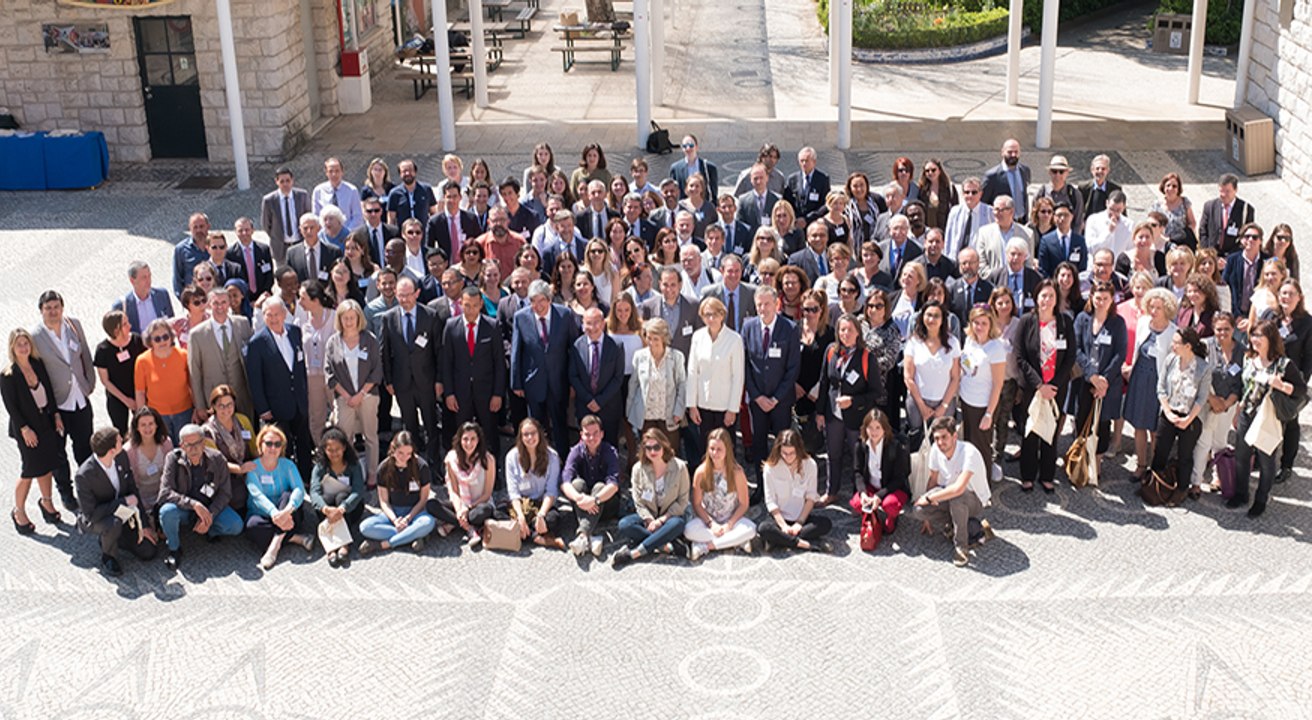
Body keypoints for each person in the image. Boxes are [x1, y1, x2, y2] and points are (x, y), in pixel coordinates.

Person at [1230, 320, 1305, 517]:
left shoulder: (1284, 364)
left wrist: (1281, 385)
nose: (1254, 340)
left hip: (1268, 417)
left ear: (1270, 339)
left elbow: (1301, 390)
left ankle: (1261, 499)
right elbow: (1244, 389)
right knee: (1242, 456)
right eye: (1253, 335)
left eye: (1259, 336)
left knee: (1266, 460)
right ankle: (1241, 493)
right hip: (1248, 414)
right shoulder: (1248, 359)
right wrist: (1238, 412)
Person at [33, 290, 95, 511]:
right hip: (58, 404)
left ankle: (88, 487)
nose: (53, 312)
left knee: (85, 446)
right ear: (41, 311)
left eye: (56, 307)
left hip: (80, 398)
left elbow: (85, 354)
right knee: (59, 452)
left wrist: (90, 383)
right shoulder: (36, 338)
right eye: (48, 308)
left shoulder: (73, 325)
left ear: (62, 308)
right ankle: (66, 493)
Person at [2, 328, 69, 534]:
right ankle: (19, 511)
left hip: (45, 422)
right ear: (13, 348)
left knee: (47, 463)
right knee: (30, 469)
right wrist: (24, 429)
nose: (24, 347)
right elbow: (11, 407)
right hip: (26, 428)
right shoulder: (8, 375)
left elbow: (48, 390)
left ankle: (47, 503)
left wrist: (56, 415)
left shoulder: (37, 364)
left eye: (26, 343)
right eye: (19, 344)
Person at [1014, 280, 1076, 493]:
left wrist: (1054, 384)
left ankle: (1047, 474)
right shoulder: (1026, 321)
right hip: (1033, 387)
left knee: (1051, 429)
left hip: (1057, 388)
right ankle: (1028, 475)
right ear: (1036, 297)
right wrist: (1039, 385)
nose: (1047, 300)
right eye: (1043, 295)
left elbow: (1070, 358)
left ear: (1056, 299)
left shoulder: (1065, 323)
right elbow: (1020, 357)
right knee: (1030, 429)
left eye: (1051, 296)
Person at [157, 423, 244, 569]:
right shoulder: (172, 458)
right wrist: (193, 504)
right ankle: (174, 548)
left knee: (236, 525)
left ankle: (209, 529)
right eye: (188, 445)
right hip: (184, 508)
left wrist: (210, 514)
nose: (193, 449)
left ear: (204, 443)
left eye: (197, 443)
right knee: (167, 512)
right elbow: (164, 492)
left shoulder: (217, 459)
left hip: (209, 506)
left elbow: (225, 492)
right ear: (181, 445)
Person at [742, 286, 801, 498]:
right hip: (757, 401)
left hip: (781, 401)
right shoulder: (747, 327)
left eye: (767, 304)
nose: (763, 308)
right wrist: (757, 396)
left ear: (776, 304)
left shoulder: (790, 328)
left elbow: (793, 367)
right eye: (759, 304)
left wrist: (776, 398)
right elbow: (745, 365)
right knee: (759, 445)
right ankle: (761, 487)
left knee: (783, 444)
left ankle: (783, 488)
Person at [818, 313, 884, 502]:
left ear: (858, 333)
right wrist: (821, 412)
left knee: (858, 457)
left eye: (850, 330)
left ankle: (859, 494)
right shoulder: (831, 351)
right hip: (833, 414)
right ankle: (832, 491)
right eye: (842, 329)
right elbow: (824, 383)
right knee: (833, 454)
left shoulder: (866, 356)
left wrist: (853, 401)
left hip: (857, 416)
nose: (845, 334)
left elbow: (875, 392)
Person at [75, 427, 159, 575]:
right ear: (111, 450)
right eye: (119, 440)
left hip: (124, 513)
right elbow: (91, 514)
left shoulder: (121, 457)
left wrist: (144, 526)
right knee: (113, 524)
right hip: (99, 517)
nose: (123, 441)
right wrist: (122, 503)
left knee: (148, 552)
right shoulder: (84, 475)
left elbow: (133, 490)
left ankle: (116, 538)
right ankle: (108, 556)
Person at [246, 298, 314, 475]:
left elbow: (299, 367)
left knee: (304, 442)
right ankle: (286, 478)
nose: (274, 318)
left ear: (284, 314)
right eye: (269, 315)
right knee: (283, 446)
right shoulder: (257, 343)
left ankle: (306, 476)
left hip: (298, 400)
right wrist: (263, 408)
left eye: (277, 314)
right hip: (276, 405)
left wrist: (305, 395)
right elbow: (255, 379)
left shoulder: (295, 332)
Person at [914, 416, 994, 567]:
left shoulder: (969, 453)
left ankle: (961, 546)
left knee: (958, 497)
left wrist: (931, 499)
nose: (940, 442)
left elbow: (959, 488)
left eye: (944, 437)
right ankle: (976, 528)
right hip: (948, 494)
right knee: (919, 509)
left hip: (973, 499)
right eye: (936, 438)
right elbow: (932, 480)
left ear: (955, 436)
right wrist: (927, 514)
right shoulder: (936, 451)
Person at [511, 279, 579, 459]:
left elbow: (574, 349)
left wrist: (574, 381)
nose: (538, 305)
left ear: (549, 300)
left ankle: (564, 463)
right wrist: (516, 382)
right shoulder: (521, 317)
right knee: (536, 427)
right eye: (533, 301)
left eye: (541, 300)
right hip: (534, 382)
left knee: (560, 424)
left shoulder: (564, 315)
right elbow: (516, 351)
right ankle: (539, 463)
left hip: (559, 380)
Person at [379, 276, 443, 462]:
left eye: (408, 295)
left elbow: (439, 351)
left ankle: (434, 462)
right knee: (410, 425)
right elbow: (385, 353)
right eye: (400, 295)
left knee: (431, 424)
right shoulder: (388, 318)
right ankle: (414, 462)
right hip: (402, 382)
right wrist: (388, 381)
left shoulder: (430, 316)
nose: (404, 299)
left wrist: (439, 380)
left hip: (426, 381)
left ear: (417, 293)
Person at [322, 299, 382, 485]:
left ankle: (372, 473)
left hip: (368, 395)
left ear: (359, 318)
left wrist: (361, 394)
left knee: (370, 436)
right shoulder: (333, 342)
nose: (349, 322)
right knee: (344, 437)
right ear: (340, 319)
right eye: (345, 318)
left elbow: (377, 370)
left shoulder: (369, 339)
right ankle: (350, 472)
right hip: (344, 398)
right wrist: (348, 396)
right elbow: (329, 372)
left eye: (352, 318)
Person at [612, 428, 691, 567]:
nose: (653, 452)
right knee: (624, 525)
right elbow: (638, 501)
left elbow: (683, 500)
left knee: (678, 524)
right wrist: (649, 520)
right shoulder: (638, 468)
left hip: (670, 517)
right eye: (648, 448)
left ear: (664, 446)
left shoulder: (679, 467)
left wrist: (660, 521)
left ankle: (634, 553)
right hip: (649, 516)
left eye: (656, 447)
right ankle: (667, 546)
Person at [1149, 328, 1212, 501]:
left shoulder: (1203, 368)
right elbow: (1161, 387)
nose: (1173, 346)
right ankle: (1154, 482)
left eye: (1176, 343)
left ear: (1188, 346)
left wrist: (1188, 419)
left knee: (1185, 455)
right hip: (1170, 412)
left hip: (1190, 416)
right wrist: (1168, 412)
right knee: (1160, 449)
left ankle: (1182, 489)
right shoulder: (1170, 360)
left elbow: (1202, 398)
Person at [1072, 281, 1128, 474]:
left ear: (1112, 299)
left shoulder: (1118, 323)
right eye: (1098, 298)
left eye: (1105, 298)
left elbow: (1120, 353)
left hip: (1107, 383)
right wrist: (1091, 376)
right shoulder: (1082, 318)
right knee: (1082, 419)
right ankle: (1081, 458)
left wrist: (1103, 380)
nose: (1101, 302)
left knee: (1103, 424)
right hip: (1085, 380)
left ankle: (1096, 462)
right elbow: (1076, 349)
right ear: (1092, 297)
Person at [1123, 287, 1179, 481]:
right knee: (1139, 424)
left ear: (1168, 309)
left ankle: (1155, 468)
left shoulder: (1173, 332)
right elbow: (1137, 350)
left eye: (1158, 308)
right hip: (1140, 378)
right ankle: (1140, 464)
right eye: (1151, 306)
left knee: (1155, 428)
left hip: (1159, 382)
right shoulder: (1143, 323)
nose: (1153, 311)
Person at [245, 424, 313, 570]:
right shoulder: (253, 468)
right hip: (264, 514)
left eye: (277, 444)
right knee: (252, 527)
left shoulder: (288, 465)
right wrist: (274, 514)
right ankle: (295, 538)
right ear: (260, 445)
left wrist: (286, 511)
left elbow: (299, 489)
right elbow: (257, 495)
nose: (273, 448)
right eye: (268, 443)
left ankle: (274, 546)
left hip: (288, 513)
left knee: (288, 495)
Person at [683, 427, 756, 560]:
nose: (714, 453)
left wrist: (729, 524)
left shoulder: (737, 472)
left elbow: (744, 504)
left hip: (732, 519)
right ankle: (735, 541)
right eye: (712, 449)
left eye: (719, 449)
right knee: (688, 530)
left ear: (727, 449)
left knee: (751, 529)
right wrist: (711, 524)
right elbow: (697, 504)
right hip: (708, 521)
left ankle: (706, 546)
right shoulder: (701, 472)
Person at [359, 431, 438, 555]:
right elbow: (384, 502)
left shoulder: (421, 467)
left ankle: (385, 544)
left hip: (415, 512)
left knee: (428, 523)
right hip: (393, 512)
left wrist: (408, 518)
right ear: (393, 448)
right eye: (400, 453)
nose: (404, 457)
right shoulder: (383, 468)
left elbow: (423, 499)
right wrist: (395, 520)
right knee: (365, 527)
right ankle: (413, 535)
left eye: (408, 453)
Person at [757, 429, 833, 553]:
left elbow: (810, 497)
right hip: (779, 518)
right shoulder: (770, 468)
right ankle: (803, 544)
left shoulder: (810, 465)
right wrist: (783, 526)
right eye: (784, 453)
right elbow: (771, 502)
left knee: (826, 524)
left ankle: (780, 540)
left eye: (792, 453)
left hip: (801, 516)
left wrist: (799, 523)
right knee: (763, 528)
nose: (788, 457)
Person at [427, 422, 501, 547]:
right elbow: (454, 492)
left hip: (479, 504)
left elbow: (487, 494)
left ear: (478, 440)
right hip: (460, 504)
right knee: (431, 504)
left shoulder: (488, 460)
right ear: (459, 440)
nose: (469, 443)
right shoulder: (451, 459)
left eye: (473, 439)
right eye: (465, 439)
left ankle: (454, 523)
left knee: (484, 511)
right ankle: (469, 528)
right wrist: (460, 509)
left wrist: (468, 508)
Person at [1194, 313, 1244, 492]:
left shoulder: (1242, 351)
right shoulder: (1206, 346)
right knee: (1203, 442)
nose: (1222, 333)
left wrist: (1227, 403)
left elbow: (1241, 382)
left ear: (1233, 329)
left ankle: (1218, 476)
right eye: (1218, 329)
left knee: (1220, 441)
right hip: (1207, 402)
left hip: (1228, 404)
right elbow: (1196, 374)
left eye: (1226, 329)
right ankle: (1196, 481)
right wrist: (1212, 400)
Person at [686, 296, 744, 452]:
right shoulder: (698, 337)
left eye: (714, 314)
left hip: (724, 406)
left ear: (722, 315)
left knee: (725, 449)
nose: (711, 318)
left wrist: (732, 409)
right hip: (703, 404)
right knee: (706, 450)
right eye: (706, 315)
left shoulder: (734, 339)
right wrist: (692, 405)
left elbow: (738, 377)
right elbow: (692, 371)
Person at [559, 415, 622, 557]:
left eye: (595, 434)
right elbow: (565, 481)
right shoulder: (575, 451)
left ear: (602, 434)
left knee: (600, 486)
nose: (592, 438)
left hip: (606, 503)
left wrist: (594, 500)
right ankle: (588, 536)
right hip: (584, 504)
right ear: (581, 435)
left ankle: (582, 534)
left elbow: (613, 485)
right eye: (587, 434)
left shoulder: (610, 451)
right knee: (577, 484)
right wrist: (579, 498)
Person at [188, 288, 254, 421]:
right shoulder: (197, 335)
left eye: (223, 302)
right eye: (215, 303)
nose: (220, 307)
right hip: (214, 400)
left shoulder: (243, 324)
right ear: (209, 304)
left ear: (229, 303)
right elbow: (194, 372)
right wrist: (200, 405)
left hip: (242, 397)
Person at [903, 300, 961, 449]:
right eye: (928, 315)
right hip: (917, 403)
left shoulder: (953, 343)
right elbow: (908, 377)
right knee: (917, 443)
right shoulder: (914, 343)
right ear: (922, 317)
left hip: (945, 402)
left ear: (943, 319)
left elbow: (955, 377)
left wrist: (944, 406)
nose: (932, 319)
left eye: (936, 316)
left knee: (943, 444)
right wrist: (922, 406)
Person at [958, 305, 1007, 477]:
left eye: (984, 323)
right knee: (968, 444)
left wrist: (989, 413)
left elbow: (997, 384)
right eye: (976, 322)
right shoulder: (969, 340)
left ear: (991, 324)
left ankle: (984, 484)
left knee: (981, 447)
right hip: (966, 400)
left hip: (982, 404)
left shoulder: (996, 348)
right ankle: (970, 479)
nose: (979, 327)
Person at [307, 426, 365, 566]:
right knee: (325, 501)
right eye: (330, 450)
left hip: (349, 507)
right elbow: (314, 492)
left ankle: (344, 543)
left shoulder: (353, 464)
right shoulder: (320, 466)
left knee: (341, 498)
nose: (334, 453)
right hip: (329, 508)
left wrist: (343, 508)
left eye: (337, 449)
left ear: (344, 447)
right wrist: (325, 508)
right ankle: (331, 546)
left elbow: (358, 490)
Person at [627, 317, 688, 452]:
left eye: (656, 338)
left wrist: (679, 411)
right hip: (646, 416)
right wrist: (630, 410)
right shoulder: (639, 356)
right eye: (648, 338)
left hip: (669, 416)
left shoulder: (676, 357)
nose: (651, 342)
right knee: (649, 453)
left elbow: (682, 385)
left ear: (664, 338)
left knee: (669, 452)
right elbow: (633, 384)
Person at [505, 418, 567, 549]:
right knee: (498, 513)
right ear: (520, 437)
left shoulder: (552, 457)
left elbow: (551, 491)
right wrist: (520, 517)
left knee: (553, 519)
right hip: (522, 504)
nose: (530, 437)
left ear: (540, 433)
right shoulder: (511, 457)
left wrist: (541, 515)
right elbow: (513, 492)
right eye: (525, 434)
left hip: (542, 504)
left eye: (533, 433)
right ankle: (538, 537)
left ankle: (524, 533)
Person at [1274, 279, 1312, 484]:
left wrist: (1301, 383)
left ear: (1299, 297)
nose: (1285, 298)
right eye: (1283, 293)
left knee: (1290, 422)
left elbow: (1309, 357)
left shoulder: (1307, 323)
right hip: (1271, 377)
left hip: (1292, 381)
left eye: (1290, 294)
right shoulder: (1272, 317)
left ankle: (1287, 464)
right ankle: (1264, 460)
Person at [569, 307, 624, 446]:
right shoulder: (577, 345)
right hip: (585, 406)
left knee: (610, 446)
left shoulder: (616, 346)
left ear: (603, 323)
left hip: (609, 406)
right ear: (583, 324)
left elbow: (618, 378)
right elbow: (573, 376)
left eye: (596, 322)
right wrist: (588, 400)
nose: (592, 327)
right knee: (587, 447)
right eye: (588, 323)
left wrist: (600, 401)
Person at [134, 318, 195, 444]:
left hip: (184, 412)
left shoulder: (183, 355)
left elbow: (193, 385)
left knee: (185, 447)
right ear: (150, 341)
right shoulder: (142, 361)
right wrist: (143, 419)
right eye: (157, 339)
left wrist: (196, 408)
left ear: (171, 337)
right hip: (158, 416)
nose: (162, 341)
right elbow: (140, 392)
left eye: (165, 337)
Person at [851, 408, 911, 536]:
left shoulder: (895, 447)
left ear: (885, 428)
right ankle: (872, 514)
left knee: (890, 504)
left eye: (878, 427)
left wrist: (879, 496)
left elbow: (899, 478)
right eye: (870, 427)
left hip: (892, 487)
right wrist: (863, 493)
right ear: (865, 428)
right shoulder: (860, 445)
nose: (874, 432)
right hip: (871, 485)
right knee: (857, 503)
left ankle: (892, 517)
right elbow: (857, 473)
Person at [93, 310, 146, 434]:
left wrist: (139, 398)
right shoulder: (103, 350)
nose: (130, 326)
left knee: (143, 427)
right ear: (116, 330)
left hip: (138, 392)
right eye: (125, 324)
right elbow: (105, 381)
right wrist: (126, 400)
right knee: (120, 432)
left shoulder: (136, 340)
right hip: (117, 397)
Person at [124, 406, 173, 518]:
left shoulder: (166, 443)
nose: (148, 428)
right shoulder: (129, 451)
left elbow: (172, 473)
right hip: (141, 499)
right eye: (143, 425)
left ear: (157, 424)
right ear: (136, 427)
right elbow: (129, 484)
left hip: (164, 495)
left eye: (151, 423)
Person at [261, 168, 312, 264]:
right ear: (276, 182)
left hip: (300, 243)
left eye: (288, 181)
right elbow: (266, 224)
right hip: (280, 247)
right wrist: (277, 236)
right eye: (282, 181)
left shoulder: (302, 196)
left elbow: (308, 217)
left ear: (292, 181)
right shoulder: (269, 200)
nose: (285, 184)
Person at [1198, 173, 1255, 256]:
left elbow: (1246, 237)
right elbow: (1203, 231)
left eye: (1227, 191)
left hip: (1233, 256)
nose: (1224, 195)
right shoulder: (1209, 206)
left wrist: (1229, 258)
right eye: (1221, 191)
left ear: (1235, 190)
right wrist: (1209, 254)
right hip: (1212, 256)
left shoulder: (1246, 210)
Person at [112, 261, 175, 335]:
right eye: (144, 278)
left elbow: (172, 322)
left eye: (149, 276)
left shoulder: (162, 295)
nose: (149, 281)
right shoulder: (121, 306)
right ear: (132, 281)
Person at [981, 138, 1031, 219]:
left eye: (1016, 152)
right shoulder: (992, 176)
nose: (1013, 155)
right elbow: (983, 203)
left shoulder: (1025, 171)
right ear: (1002, 152)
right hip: (1002, 222)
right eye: (1010, 152)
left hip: (1022, 221)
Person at [1149, 172, 1197, 248]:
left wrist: (1182, 235)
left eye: (1174, 186)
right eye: (1168, 185)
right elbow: (1151, 224)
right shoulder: (1156, 205)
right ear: (1163, 187)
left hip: (1181, 244)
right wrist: (1163, 238)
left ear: (1178, 189)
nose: (1171, 188)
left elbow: (1192, 223)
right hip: (1161, 243)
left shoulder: (1185, 202)